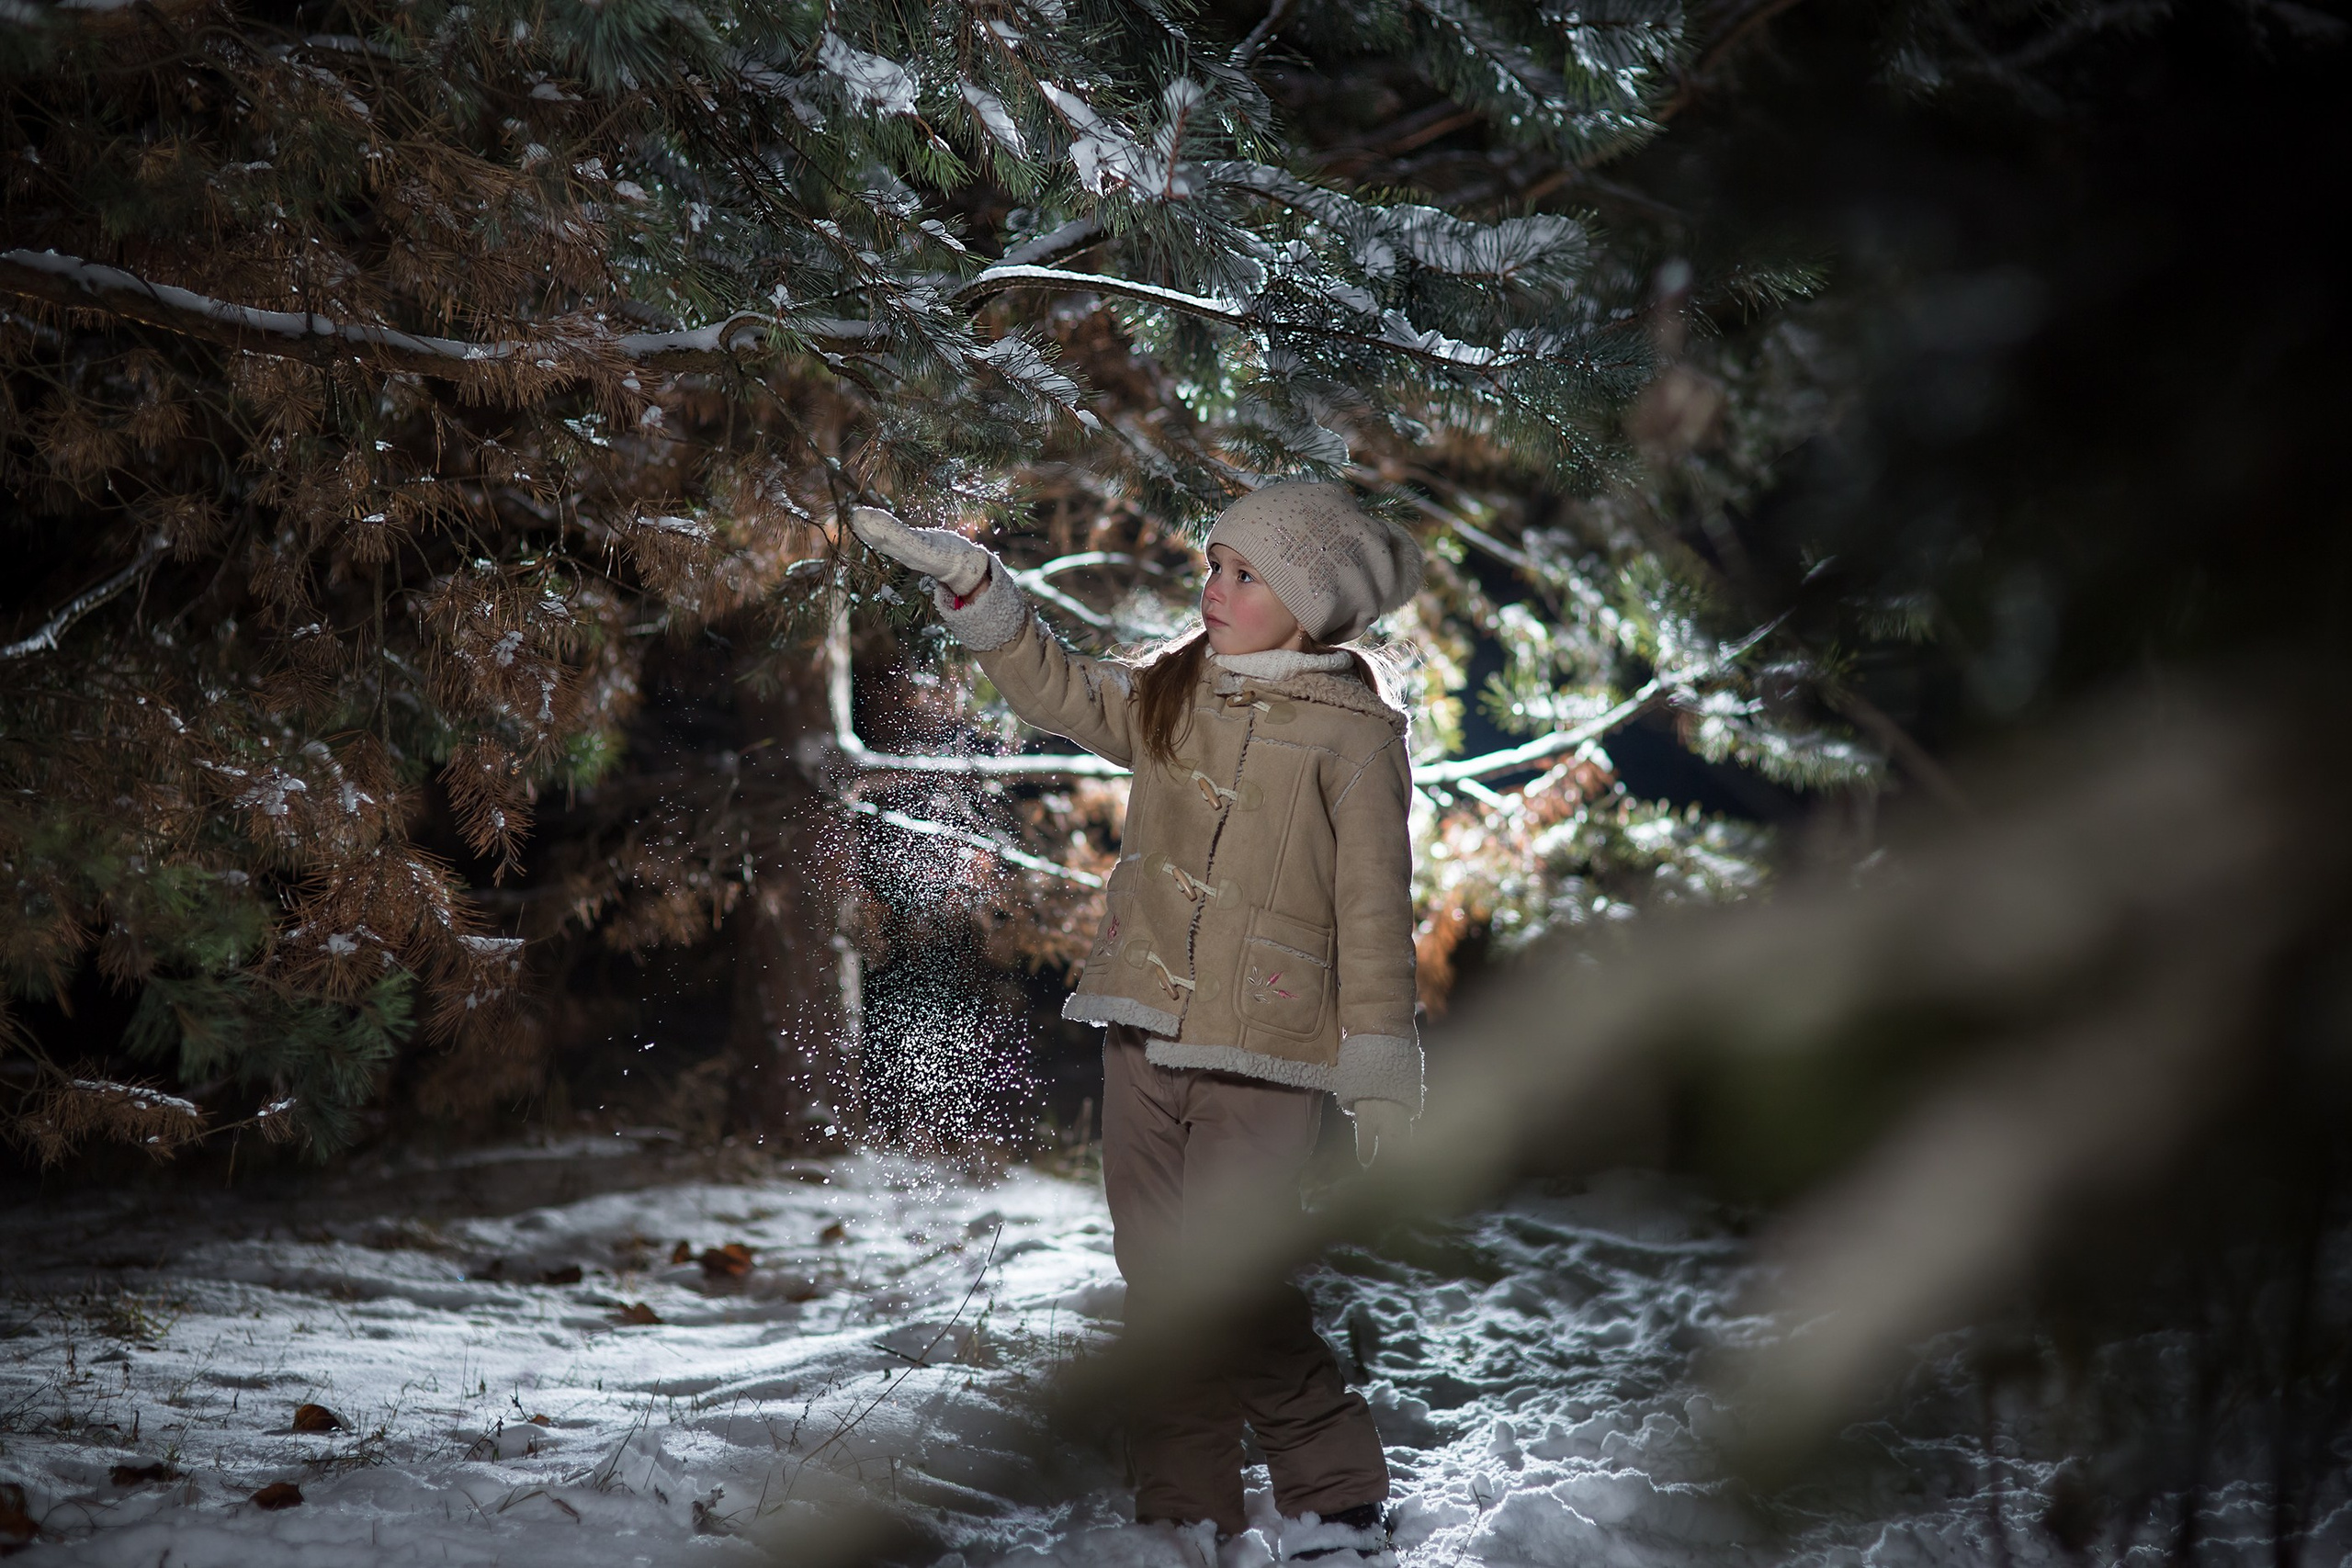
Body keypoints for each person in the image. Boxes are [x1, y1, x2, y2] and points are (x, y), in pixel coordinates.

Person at [848, 483, 1423, 1561]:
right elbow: (1060, 690)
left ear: (1310, 600)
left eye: (1245, 575)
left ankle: (1332, 1484)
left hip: (1266, 1049)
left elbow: (1374, 909)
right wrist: (972, 584)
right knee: (1159, 1280)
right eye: (1212, 565)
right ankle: (1181, 1502)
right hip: (1140, 1028)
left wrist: (1379, 1063)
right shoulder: (1171, 691)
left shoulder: (1353, 734)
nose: (1212, 587)